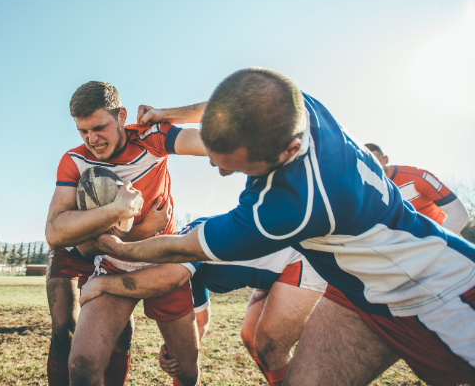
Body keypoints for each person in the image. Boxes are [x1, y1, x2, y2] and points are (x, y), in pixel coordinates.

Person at [93, 68, 475, 386]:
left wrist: (120, 249)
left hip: (436, 295)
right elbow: (226, 105)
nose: (221, 169)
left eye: (237, 165)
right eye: (215, 158)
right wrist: (167, 113)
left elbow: (182, 248)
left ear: (289, 150)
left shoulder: (290, 206)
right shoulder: (292, 104)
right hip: (354, 291)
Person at [44, 81, 205, 386]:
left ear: (121, 115)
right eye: (83, 131)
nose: (92, 139)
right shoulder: (75, 160)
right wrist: (119, 211)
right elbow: (54, 231)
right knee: (81, 364)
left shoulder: (151, 137)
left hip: (162, 257)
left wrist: (167, 114)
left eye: (99, 127)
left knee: (186, 369)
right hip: (113, 262)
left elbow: (212, 141)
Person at [80, 218, 327, 386]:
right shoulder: (190, 274)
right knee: (251, 337)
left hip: (302, 259)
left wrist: (101, 283)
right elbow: (201, 323)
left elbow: (165, 280)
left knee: (269, 345)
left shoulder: (187, 243)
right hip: (273, 273)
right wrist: (174, 351)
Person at [365, 143, 469, 234]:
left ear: (386, 159)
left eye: (377, 161)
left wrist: (437, 244)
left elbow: (459, 214)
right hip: (408, 249)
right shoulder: (369, 190)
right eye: (369, 163)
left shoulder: (416, 177)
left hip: (444, 245)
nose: (374, 167)